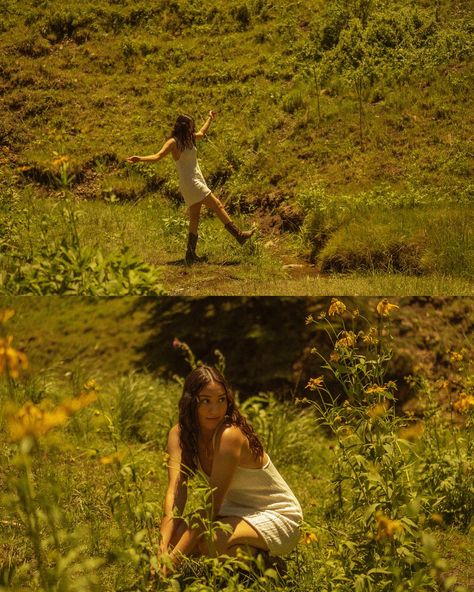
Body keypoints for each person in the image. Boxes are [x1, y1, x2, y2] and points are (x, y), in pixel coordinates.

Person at [159, 365, 302, 574]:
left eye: (221, 400)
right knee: (174, 534)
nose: (215, 410)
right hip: (234, 510)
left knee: (208, 543)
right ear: (191, 402)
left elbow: (210, 507)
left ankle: (265, 561)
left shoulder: (229, 436)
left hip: (276, 514)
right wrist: (162, 547)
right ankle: (248, 550)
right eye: (205, 400)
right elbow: (176, 491)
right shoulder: (179, 435)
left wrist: (171, 562)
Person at [127, 112, 255, 264]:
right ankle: (239, 235)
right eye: (190, 126)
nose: (192, 128)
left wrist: (209, 118)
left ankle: (190, 255)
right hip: (190, 182)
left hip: (195, 180)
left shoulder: (191, 138)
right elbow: (157, 156)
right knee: (218, 205)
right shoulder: (173, 142)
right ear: (183, 127)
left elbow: (202, 132)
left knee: (195, 217)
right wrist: (140, 159)